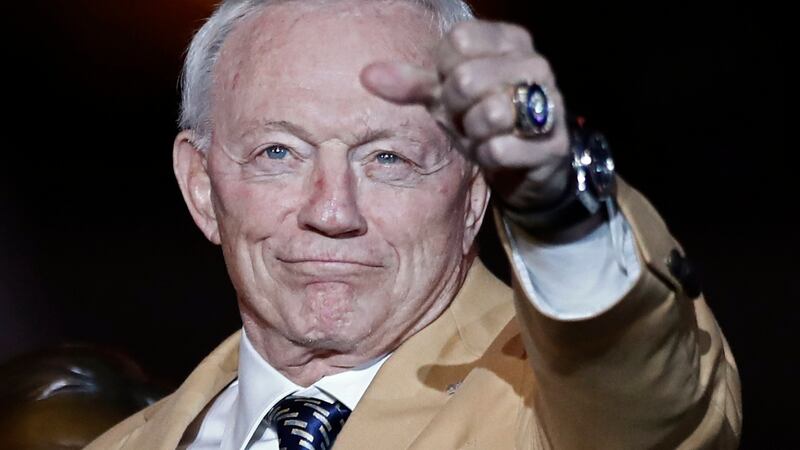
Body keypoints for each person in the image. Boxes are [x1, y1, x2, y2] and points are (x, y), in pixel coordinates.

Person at [87, 0, 742, 448]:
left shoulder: (555, 412)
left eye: (388, 157)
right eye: (278, 152)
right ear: (202, 185)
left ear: (476, 189)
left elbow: (651, 407)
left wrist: (557, 205)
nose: (332, 211)